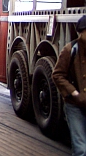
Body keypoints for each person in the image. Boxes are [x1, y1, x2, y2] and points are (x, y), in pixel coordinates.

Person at [52, 15, 86, 156]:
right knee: (81, 149)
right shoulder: (70, 49)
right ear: (80, 32)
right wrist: (74, 93)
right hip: (75, 105)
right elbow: (57, 75)